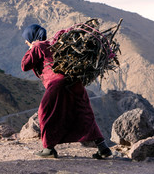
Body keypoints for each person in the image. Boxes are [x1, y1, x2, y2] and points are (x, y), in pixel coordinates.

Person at [21, 24, 112, 159]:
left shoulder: (38, 46)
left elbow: (25, 65)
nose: (25, 42)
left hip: (57, 83)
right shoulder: (55, 44)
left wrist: (32, 47)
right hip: (75, 81)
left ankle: (49, 148)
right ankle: (103, 148)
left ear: (31, 37)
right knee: (84, 113)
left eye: (26, 39)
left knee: (45, 113)